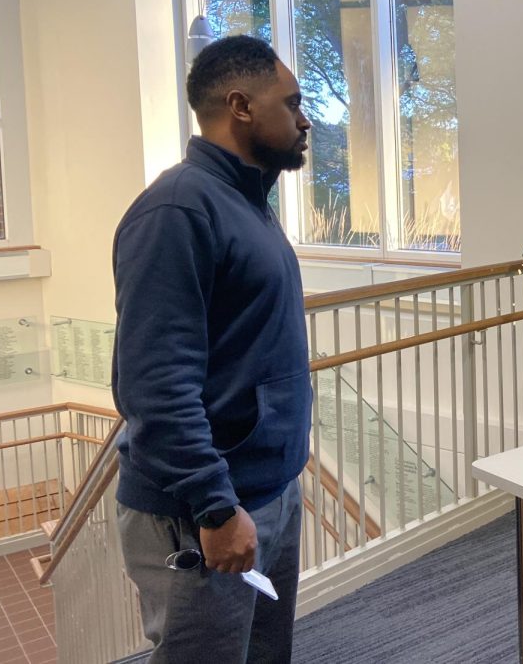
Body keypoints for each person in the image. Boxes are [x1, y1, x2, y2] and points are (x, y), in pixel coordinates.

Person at [111, 35, 312, 663]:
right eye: (293, 103)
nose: (305, 120)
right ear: (240, 106)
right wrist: (216, 504)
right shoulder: (177, 210)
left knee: (260, 655)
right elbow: (154, 384)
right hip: (203, 513)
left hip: (268, 489)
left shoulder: (247, 205)